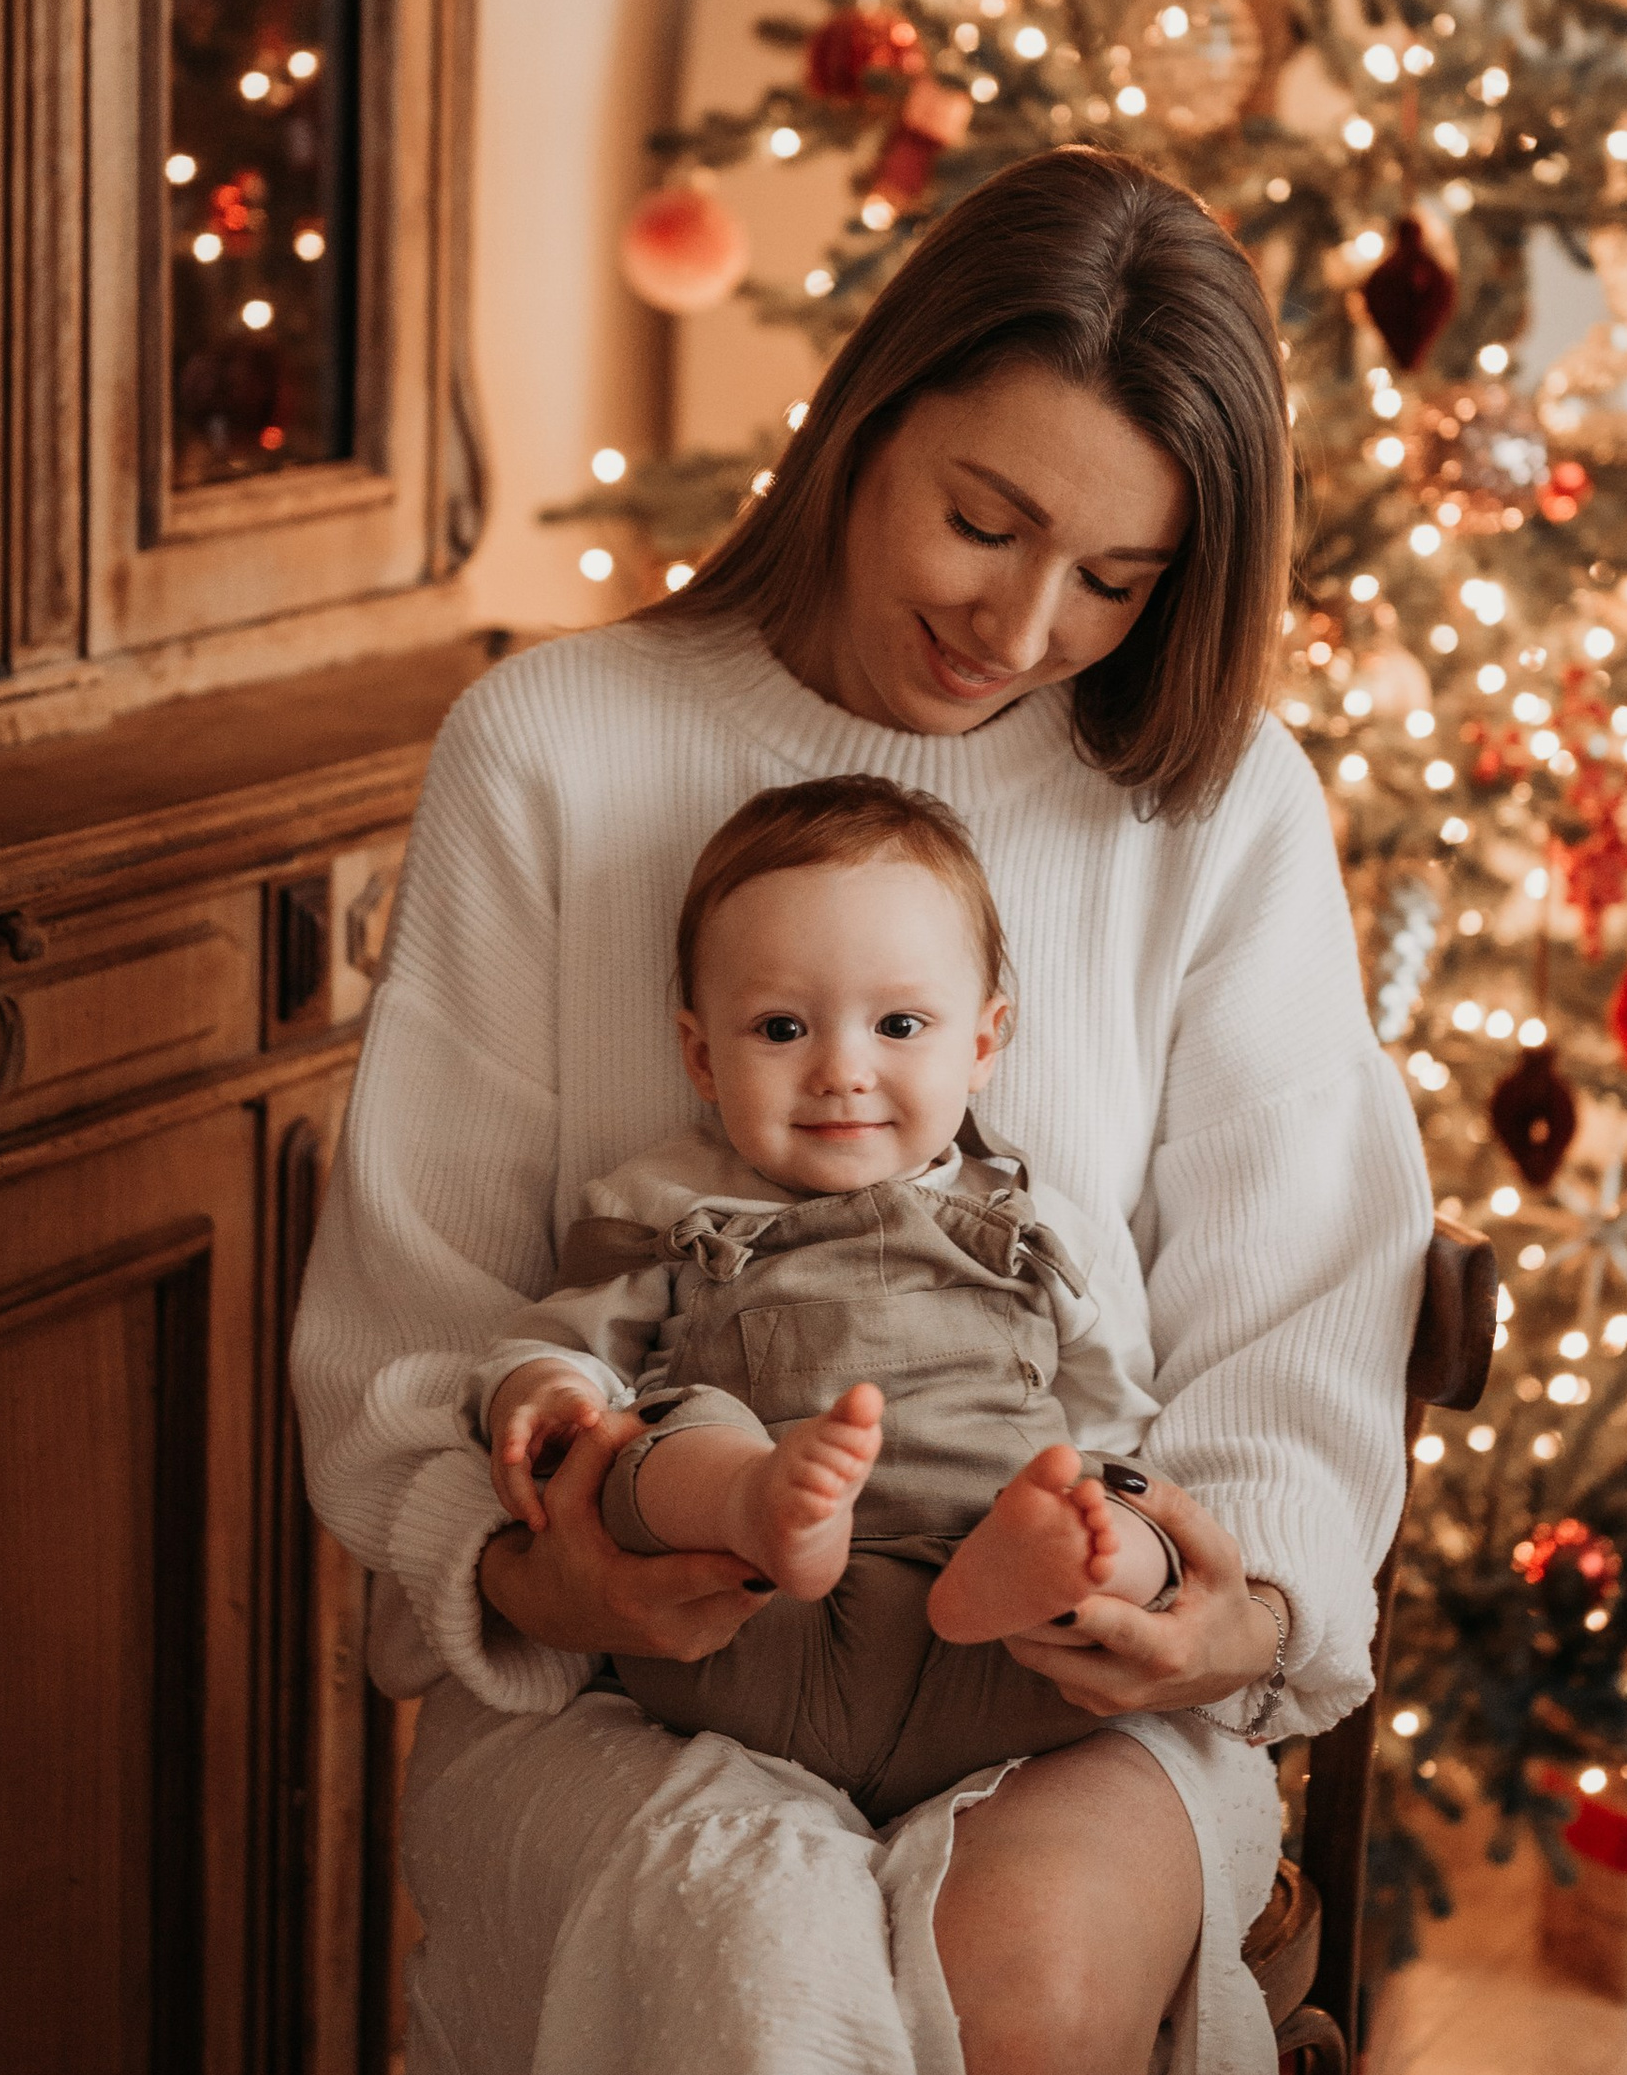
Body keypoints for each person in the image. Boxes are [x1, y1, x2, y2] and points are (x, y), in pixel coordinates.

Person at [292, 147, 1431, 2075]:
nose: (1017, 626)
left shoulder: (1209, 804)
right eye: (980, 517)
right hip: (634, 1675)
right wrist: (549, 1550)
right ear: (862, 415)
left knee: (1022, 1997)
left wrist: (1205, 1611)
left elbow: (1291, 1319)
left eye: (1112, 577)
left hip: (1058, 1673)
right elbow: (414, 1330)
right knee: (755, 1964)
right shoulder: (558, 740)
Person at [475, 774, 1181, 1824]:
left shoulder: (1038, 1224)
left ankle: (1027, 1562)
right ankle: (753, 1498)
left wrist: (1102, 1523)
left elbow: (1117, 1401)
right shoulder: (663, 1203)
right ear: (701, 1054)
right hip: (741, 1628)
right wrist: (537, 1389)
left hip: (1003, 1654)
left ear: (983, 1042)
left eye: (899, 1022)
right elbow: (562, 1345)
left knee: (1120, 1503)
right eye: (780, 1028)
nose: (842, 1070)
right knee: (660, 1428)